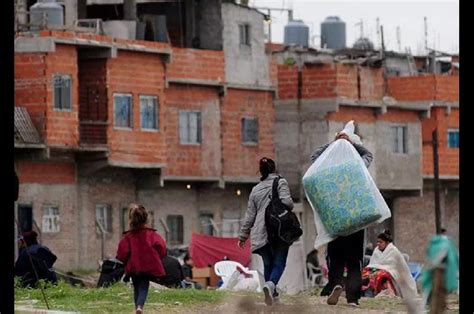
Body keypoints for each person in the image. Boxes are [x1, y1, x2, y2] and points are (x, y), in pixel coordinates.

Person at [312, 121, 373, 307]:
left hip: (336, 221)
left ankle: (337, 284)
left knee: (336, 257)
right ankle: (353, 299)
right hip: (355, 220)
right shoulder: (357, 165)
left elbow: (314, 156)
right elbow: (369, 154)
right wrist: (350, 143)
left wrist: (334, 143)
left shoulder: (327, 168)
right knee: (355, 261)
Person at [238, 157, 294, 306]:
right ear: (274, 169)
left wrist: (243, 236)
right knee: (279, 263)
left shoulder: (255, 190)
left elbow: (250, 215)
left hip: (260, 233)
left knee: (268, 264)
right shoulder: (280, 182)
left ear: (261, 171)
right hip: (279, 230)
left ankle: (273, 298)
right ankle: (271, 286)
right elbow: (288, 202)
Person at [117, 204, 167, 314]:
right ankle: (140, 306)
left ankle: (137, 308)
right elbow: (162, 248)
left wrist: (124, 261)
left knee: (136, 286)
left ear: (131, 219)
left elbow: (122, 253)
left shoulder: (128, 236)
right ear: (146, 219)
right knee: (144, 286)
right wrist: (157, 257)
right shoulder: (151, 234)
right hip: (147, 265)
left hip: (133, 266)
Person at [362, 230, 417, 299]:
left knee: (382, 275)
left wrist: (383, 270)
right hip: (376, 270)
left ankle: (389, 292)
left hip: (392, 273)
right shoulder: (376, 250)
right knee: (366, 274)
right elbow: (373, 263)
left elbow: (394, 267)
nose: (378, 244)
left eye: (381, 242)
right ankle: (367, 293)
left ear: (387, 243)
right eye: (377, 242)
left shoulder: (394, 251)